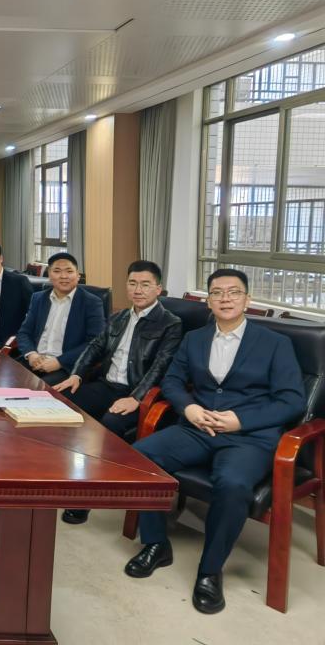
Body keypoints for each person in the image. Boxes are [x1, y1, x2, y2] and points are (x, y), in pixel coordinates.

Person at [125, 269, 304, 615]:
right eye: (217, 293)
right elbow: (172, 381)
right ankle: (156, 544)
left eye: (234, 292)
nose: (225, 298)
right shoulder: (195, 339)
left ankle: (210, 570)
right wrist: (189, 408)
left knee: (233, 483)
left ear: (247, 300)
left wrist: (240, 421)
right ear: (208, 301)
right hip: (198, 428)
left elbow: (292, 401)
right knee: (140, 457)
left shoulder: (275, 343)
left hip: (248, 437)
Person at [52, 260, 182, 524]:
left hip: (135, 393)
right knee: (61, 403)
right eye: (133, 283)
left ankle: (86, 496)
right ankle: (61, 474)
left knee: (109, 424)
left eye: (145, 284)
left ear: (158, 289)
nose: (138, 290)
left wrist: (136, 398)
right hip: (106, 385)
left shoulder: (170, 324)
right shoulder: (119, 317)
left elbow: (160, 367)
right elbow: (95, 347)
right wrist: (76, 374)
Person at [16, 252, 105, 385]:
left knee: (39, 390)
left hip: (66, 366)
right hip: (35, 360)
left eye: (69, 271)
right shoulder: (38, 298)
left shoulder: (91, 302)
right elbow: (24, 332)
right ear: (49, 275)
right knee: (4, 379)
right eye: (57, 271)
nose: (63, 276)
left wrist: (60, 361)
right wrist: (31, 354)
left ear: (78, 275)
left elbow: (95, 342)